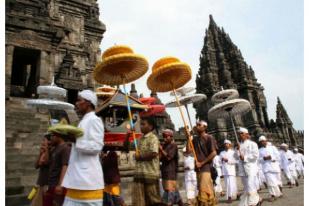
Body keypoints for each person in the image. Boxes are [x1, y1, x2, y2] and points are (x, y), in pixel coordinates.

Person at [62, 90, 105, 206]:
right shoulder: (83, 121)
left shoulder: (94, 120)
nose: (76, 103)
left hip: (88, 180)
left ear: (88, 103)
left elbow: (97, 146)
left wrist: (75, 140)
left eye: (79, 100)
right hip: (77, 179)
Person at [131, 117, 163, 206]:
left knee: (154, 200)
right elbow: (126, 147)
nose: (141, 126)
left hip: (150, 174)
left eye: (143, 124)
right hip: (139, 174)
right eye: (140, 124)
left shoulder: (153, 138)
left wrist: (139, 156)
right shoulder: (140, 139)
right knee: (139, 201)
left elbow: (154, 153)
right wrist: (128, 133)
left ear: (150, 126)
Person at [186, 120, 217, 206]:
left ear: (205, 127)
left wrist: (202, 163)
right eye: (196, 124)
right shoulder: (195, 139)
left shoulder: (209, 137)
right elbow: (188, 151)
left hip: (206, 168)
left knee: (205, 191)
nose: (197, 126)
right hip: (198, 168)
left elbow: (214, 153)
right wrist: (188, 138)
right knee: (201, 189)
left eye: (199, 125)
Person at [43, 125, 74, 206]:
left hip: (57, 185)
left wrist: (60, 185)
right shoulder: (55, 148)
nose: (51, 138)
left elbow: (65, 166)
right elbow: (46, 162)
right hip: (51, 184)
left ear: (58, 136)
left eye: (52, 135)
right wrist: (46, 148)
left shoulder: (65, 148)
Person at [237, 127, 262, 206]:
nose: (240, 135)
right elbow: (235, 157)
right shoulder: (239, 145)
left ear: (247, 134)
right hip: (242, 168)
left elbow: (255, 156)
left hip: (250, 167)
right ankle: (257, 199)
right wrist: (237, 150)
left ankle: (253, 203)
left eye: (242, 133)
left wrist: (244, 157)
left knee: (250, 184)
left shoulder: (252, 144)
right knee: (246, 185)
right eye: (239, 134)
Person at [159, 129, 183, 206]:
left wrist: (161, 149)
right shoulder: (164, 145)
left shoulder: (173, 145)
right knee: (173, 191)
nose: (164, 138)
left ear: (171, 137)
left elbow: (169, 157)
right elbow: (160, 158)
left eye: (166, 137)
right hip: (165, 171)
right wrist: (159, 150)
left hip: (171, 172)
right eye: (163, 137)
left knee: (169, 194)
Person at [258, 136, 282, 202]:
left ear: (266, 141)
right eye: (262, 141)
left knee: (277, 182)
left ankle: (279, 193)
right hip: (266, 168)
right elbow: (258, 160)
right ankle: (272, 195)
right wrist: (264, 158)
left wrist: (272, 157)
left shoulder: (272, 148)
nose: (263, 142)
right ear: (260, 143)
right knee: (270, 182)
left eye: (264, 141)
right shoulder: (259, 150)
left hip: (274, 167)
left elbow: (278, 155)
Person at [31, 134, 52, 206]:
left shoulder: (52, 152)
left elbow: (46, 162)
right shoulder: (43, 152)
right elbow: (36, 166)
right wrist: (40, 153)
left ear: (49, 142)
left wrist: (46, 150)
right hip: (40, 183)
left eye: (44, 140)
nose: (42, 142)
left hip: (46, 183)